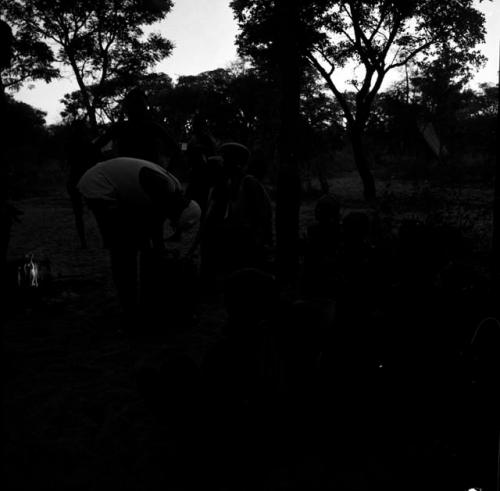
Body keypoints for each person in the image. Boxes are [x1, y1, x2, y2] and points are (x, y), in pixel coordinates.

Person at [77, 157, 201, 323]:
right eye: (173, 220)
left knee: (138, 240)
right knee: (121, 245)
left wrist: (157, 251)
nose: (169, 221)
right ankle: (128, 304)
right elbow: (155, 224)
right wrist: (158, 252)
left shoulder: (174, 189)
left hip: (117, 186)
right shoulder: (161, 190)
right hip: (99, 185)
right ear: (177, 211)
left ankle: (133, 295)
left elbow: (154, 223)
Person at [93, 87, 179, 170]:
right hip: (142, 175)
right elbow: (175, 149)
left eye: (139, 104)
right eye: (134, 104)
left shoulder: (119, 127)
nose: (136, 108)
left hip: (131, 175)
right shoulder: (153, 127)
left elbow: (175, 149)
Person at [65, 119, 100, 248]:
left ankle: (83, 242)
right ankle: (102, 239)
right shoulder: (89, 145)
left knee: (78, 213)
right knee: (97, 210)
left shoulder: (70, 144)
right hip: (88, 179)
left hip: (74, 180)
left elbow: (68, 163)